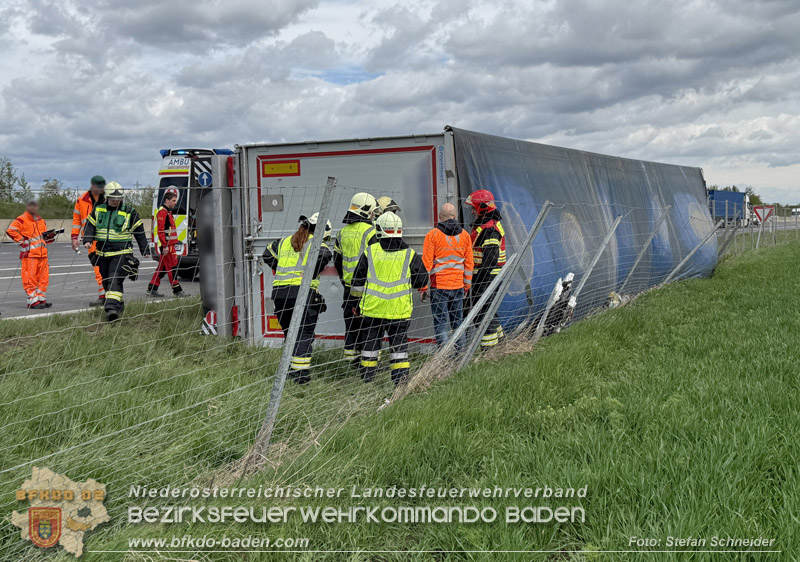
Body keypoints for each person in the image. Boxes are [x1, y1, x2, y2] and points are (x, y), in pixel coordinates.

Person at [350, 211, 428, 385]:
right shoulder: (409, 254)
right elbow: (421, 280)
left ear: (379, 229)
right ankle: (400, 383)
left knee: (370, 348)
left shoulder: (370, 252)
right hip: (398, 311)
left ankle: (367, 380)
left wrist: (354, 303)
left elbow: (357, 282)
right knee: (399, 350)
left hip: (372, 310)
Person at [263, 213, 333, 384]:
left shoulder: (285, 241)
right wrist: (311, 271)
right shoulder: (316, 244)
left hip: (280, 294)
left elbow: (267, 253)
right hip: (301, 294)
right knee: (304, 334)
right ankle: (300, 377)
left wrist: (281, 268)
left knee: (290, 334)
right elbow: (325, 255)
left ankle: (289, 371)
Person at [82, 182, 150, 321]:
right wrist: (87, 240)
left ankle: (111, 310)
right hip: (102, 254)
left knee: (114, 279)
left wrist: (145, 249)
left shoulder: (129, 211)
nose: (115, 200)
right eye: (113, 198)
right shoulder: (98, 210)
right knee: (107, 282)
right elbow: (90, 226)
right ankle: (118, 304)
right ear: (106, 197)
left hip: (122, 253)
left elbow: (139, 231)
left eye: (118, 198)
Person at [334, 192, 378, 365]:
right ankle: (369, 364)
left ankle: (351, 364)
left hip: (348, 288)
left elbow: (337, 260)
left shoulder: (342, 232)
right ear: (366, 211)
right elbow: (377, 261)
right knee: (370, 327)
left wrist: (345, 280)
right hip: (368, 288)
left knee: (351, 326)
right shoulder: (371, 232)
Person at [422, 202, 473, 348]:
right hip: (458, 286)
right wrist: (466, 285)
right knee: (458, 323)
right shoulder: (465, 236)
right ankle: (460, 356)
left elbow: (426, 264)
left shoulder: (432, 235)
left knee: (441, 324)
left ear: (439, 217)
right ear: (455, 216)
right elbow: (469, 264)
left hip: (439, 287)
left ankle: (443, 360)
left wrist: (423, 287)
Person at [465, 189, 506, 349]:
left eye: (474, 208)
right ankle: (501, 344)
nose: (472, 211)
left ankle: (488, 351)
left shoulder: (489, 230)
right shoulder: (488, 224)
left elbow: (490, 260)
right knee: (490, 311)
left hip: (487, 276)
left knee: (481, 314)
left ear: (482, 208)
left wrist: (479, 283)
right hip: (488, 276)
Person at [6, 200, 56, 309]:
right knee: (30, 278)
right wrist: (22, 241)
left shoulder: (41, 220)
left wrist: (50, 237)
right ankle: (32, 301)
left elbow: (42, 238)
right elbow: (11, 230)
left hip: (42, 254)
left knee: (43, 278)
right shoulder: (22, 218)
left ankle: (41, 299)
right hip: (30, 254)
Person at [71, 175, 107, 306]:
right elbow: (76, 220)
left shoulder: (108, 199)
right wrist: (74, 237)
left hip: (106, 239)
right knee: (98, 267)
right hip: (90, 240)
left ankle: (108, 295)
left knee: (108, 267)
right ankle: (104, 295)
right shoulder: (82, 200)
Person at [147, 191, 185, 297]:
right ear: (167, 200)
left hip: (169, 245)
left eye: (175, 201)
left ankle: (152, 288)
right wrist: (165, 246)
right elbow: (161, 230)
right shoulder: (163, 212)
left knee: (162, 268)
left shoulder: (167, 212)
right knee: (172, 267)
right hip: (167, 246)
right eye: (173, 201)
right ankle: (177, 291)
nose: (175, 203)